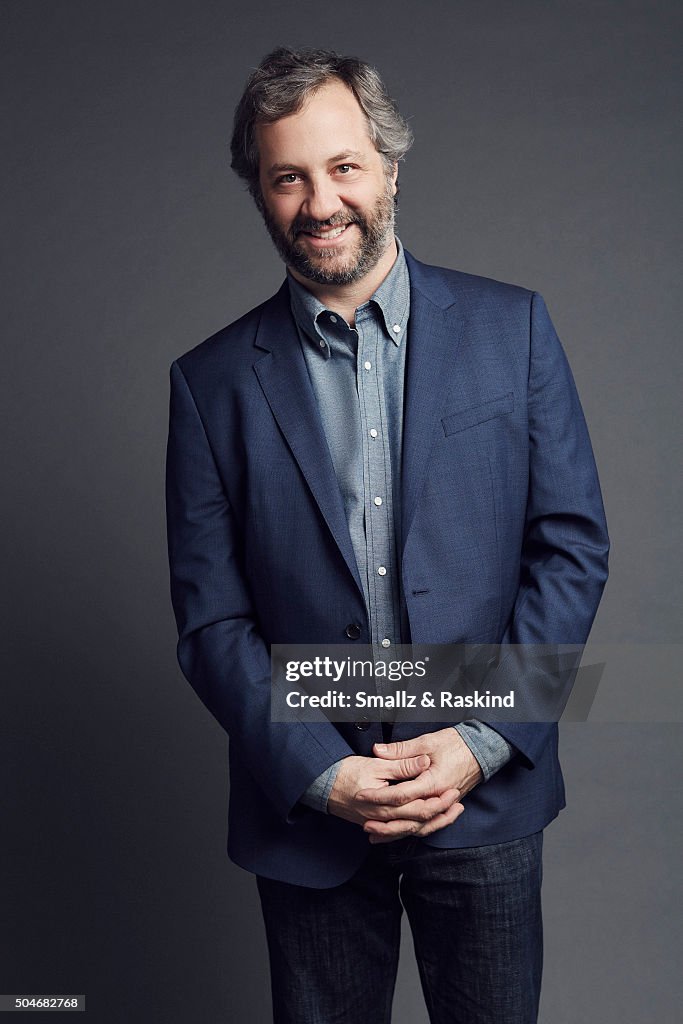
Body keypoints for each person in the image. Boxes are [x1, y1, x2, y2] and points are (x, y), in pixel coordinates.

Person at [165, 46, 609, 1024]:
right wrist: (322, 774)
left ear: (389, 170)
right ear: (259, 193)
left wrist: (483, 736)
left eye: (342, 166)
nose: (319, 201)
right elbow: (211, 621)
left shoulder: (514, 330)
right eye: (287, 177)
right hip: (309, 815)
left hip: (483, 803)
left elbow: (570, 547)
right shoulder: (209, 386)